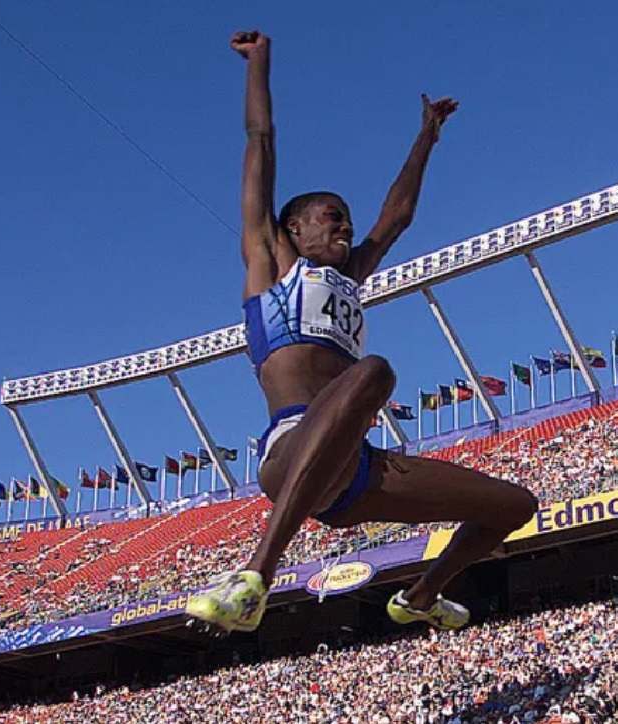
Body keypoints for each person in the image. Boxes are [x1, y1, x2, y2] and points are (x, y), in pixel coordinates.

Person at [185, 30, 539, 634]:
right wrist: (260, 63)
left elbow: (397, 217)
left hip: (355, 468)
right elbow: (260, 142)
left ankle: (422, 595)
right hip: (293, 447)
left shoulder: (348, 276)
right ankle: (254, 578)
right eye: (332, 219)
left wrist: (427, 137)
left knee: (513, 505)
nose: (346, 228)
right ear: (293, 228)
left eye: (348, 220)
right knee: (372, 372)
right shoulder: (271, 264)